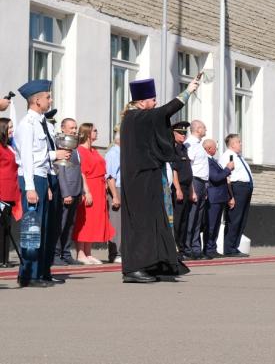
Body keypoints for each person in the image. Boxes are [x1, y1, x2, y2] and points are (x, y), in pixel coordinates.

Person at [119, 77, 199, 283]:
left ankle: (156, 263)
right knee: (142, 223)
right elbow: (165, 112)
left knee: (156, 221)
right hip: (140, 179)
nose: (155, 103)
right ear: (142, 101)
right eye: (152, 99)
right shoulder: (135, 116)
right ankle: (134, 268)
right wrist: (188, 91)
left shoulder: (137, 117)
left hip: (149, 175)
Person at [15, 79, 71, 287]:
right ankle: (28, 274)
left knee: (45, 228)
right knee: (32, 228)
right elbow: (28, 159)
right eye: (48, 97)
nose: (50, 99)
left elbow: (42, 155)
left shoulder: (40, 122)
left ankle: (40, 271)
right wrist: (30, 187)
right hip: (33, 178)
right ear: (37, 100)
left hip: (42, 177)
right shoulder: (27, 125)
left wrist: (47, 180)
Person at [73, 123, 114, 264]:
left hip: (99, 187)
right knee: (84, 220)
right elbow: (82, 172)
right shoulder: (80, 151)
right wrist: (87, 191)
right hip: (89, 186)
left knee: (94, 220)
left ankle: (88, 252)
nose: (97, 133)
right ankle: (80, 253)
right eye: (94, 131)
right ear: (87, 133)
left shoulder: (94, 150)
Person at [53, 118, 84, 266]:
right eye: (71, 128)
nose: (74, 130)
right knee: (61, 224)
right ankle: (56, 254)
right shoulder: (61, 146)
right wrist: (66, 193)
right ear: (63, 128)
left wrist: (82, 191)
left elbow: (78, 171)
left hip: (76, 191)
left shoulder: (75, 147)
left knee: (70, 224)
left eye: (75, 128)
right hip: (67, 193)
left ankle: (66, 253)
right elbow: (61, 171)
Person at [221, 133, 253, 257]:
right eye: (239, 142)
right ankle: (229, 248)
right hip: (236, 189)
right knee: (234, 219)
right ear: (233, 144)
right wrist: (230, 196)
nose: (241, 144)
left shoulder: (239, 156)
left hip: (245, 189)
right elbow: (227, 177)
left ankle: (234, 246)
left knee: (242, 219)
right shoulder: (228, 156)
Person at [204, 139, 234, 259]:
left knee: (216, 226)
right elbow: (215, 178)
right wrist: (227, 169)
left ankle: (212, 248)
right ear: (209, 148)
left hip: (220, 197)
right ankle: (207, 249)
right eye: (215, 147)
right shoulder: (207, 161)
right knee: (210, 225)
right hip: (213, 197)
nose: (216, 149)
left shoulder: (213, 161)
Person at [169, 122, 194, 260]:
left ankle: (183, 248)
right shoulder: (173, 148)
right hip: (178, 188)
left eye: (185, 133)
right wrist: (178, 189)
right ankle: (177, 249)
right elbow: (174, 170)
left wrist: (191, 190)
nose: (183, 135)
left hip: (186, 187)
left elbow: (188, 172)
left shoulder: (184, 148)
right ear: (173, 133)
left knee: (184, 220)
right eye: (180, 133)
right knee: (177, 220)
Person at [184, 120, 209, 260]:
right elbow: (189, 168)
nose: (206, 129)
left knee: (198, 219)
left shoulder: (199, 145)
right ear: (198, 129)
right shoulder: (191, 144)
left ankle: (195, 248)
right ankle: (187, 248)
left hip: (202, 183)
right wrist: (192, 189)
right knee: (191, 216)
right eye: (204, 127)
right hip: (194, 182)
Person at [0, 118, 22, 268]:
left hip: (11, 190)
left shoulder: (9, 147)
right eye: (10, 127)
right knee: (1, 226)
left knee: (6, 226)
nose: (12, 130)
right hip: (2, 190)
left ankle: (4, 258)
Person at [104, 129, 123, 263]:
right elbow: (110, 176)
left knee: (123, 223)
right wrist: (115, 196)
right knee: (116, 222)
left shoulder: (123, 153)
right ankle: (114, 253)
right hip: (116, 188)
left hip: (124, 188)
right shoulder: (113, 153)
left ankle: (122, 251)